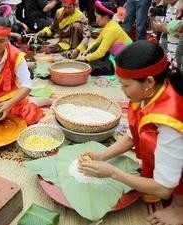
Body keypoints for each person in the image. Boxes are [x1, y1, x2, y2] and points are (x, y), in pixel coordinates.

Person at [78, 40, 183, 225]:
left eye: (125, 86)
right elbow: (132, 136)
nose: (123, 91)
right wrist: (102, 156)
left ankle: (179, 207)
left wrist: (112, 172)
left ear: (149, 81)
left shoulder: (171, 120)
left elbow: (164, 188)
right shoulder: (145, 94)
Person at [75, 0, 132, 76]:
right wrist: (87, 51)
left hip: (124, 60)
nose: (96, 20)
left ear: (106, 17)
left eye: (97, 17)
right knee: (95, 48)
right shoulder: (108, 25)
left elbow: (100, 53)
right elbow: (97, 42)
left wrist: (85, 58)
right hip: (114, 55)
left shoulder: (111, 29)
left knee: (94, 68)